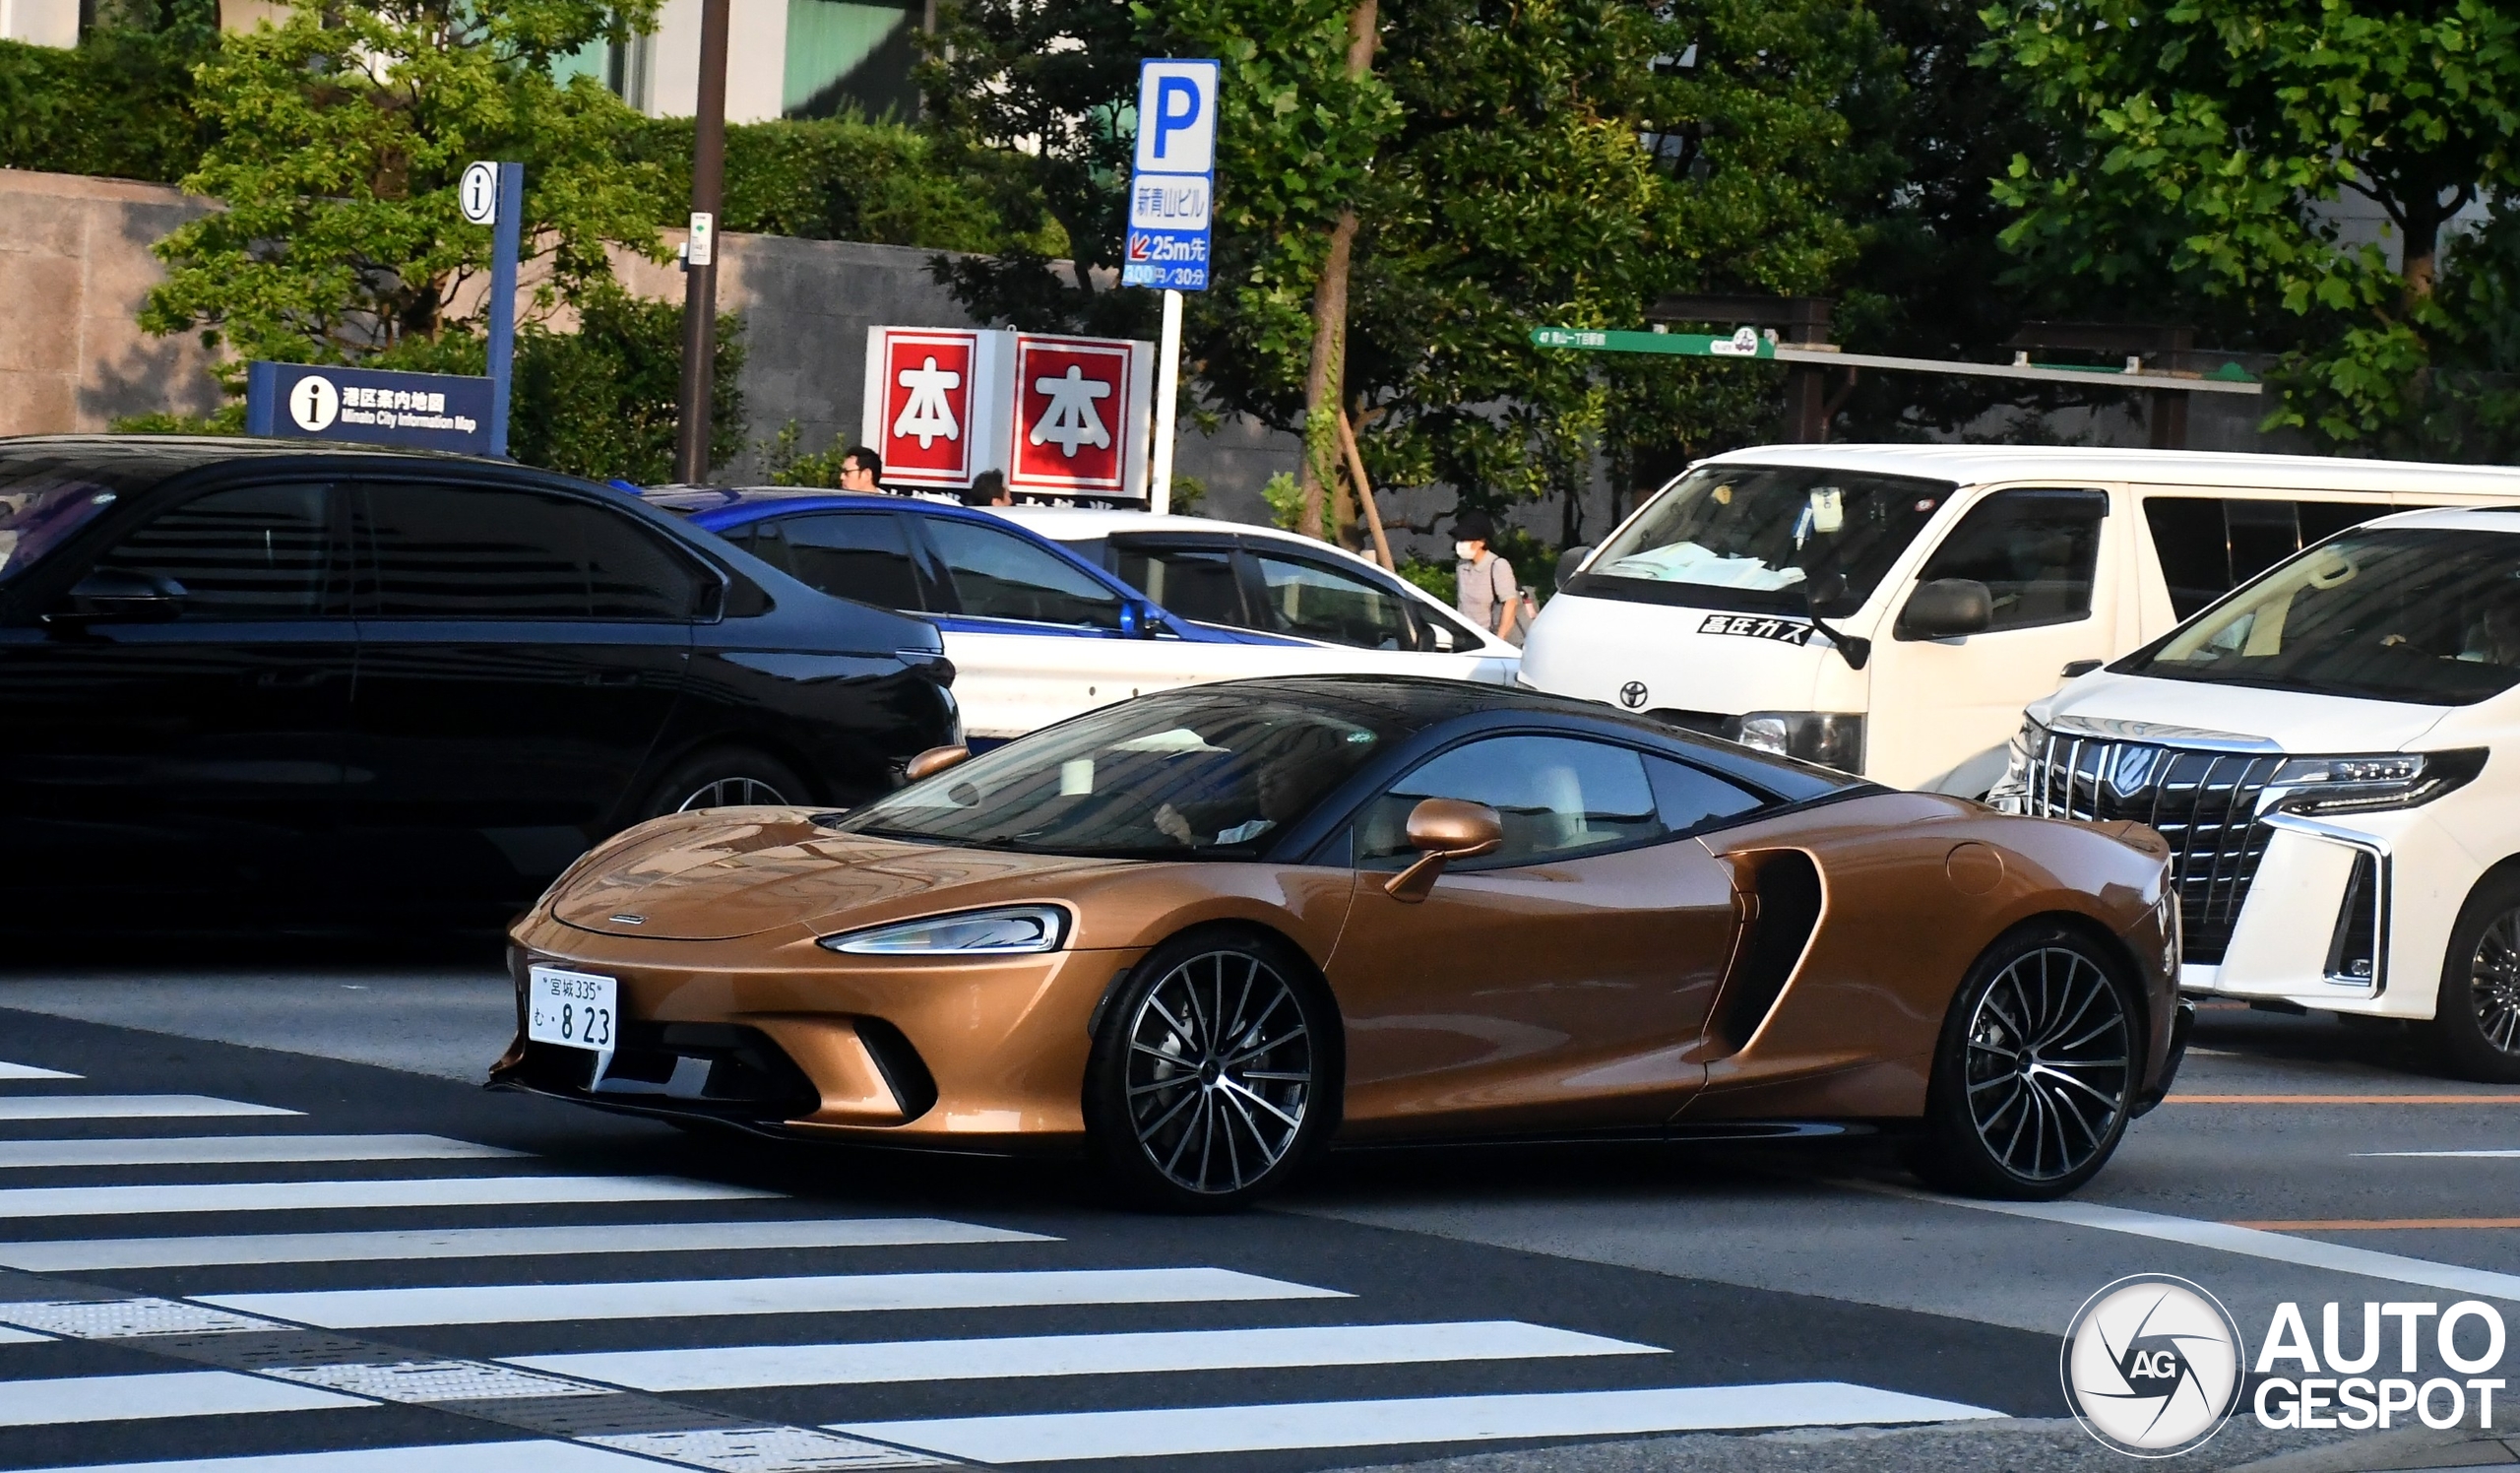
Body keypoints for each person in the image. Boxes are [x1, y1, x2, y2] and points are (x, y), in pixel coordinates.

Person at [1452, 510, 1519, 641]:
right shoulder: (1461, 566)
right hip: (1463, 638)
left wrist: (1499, 640)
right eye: (1459, 539)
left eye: (1466, 539)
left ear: (1481, 542)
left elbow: (1510, 603)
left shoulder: (1497, 565)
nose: (1460, 544)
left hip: (1489, 639)